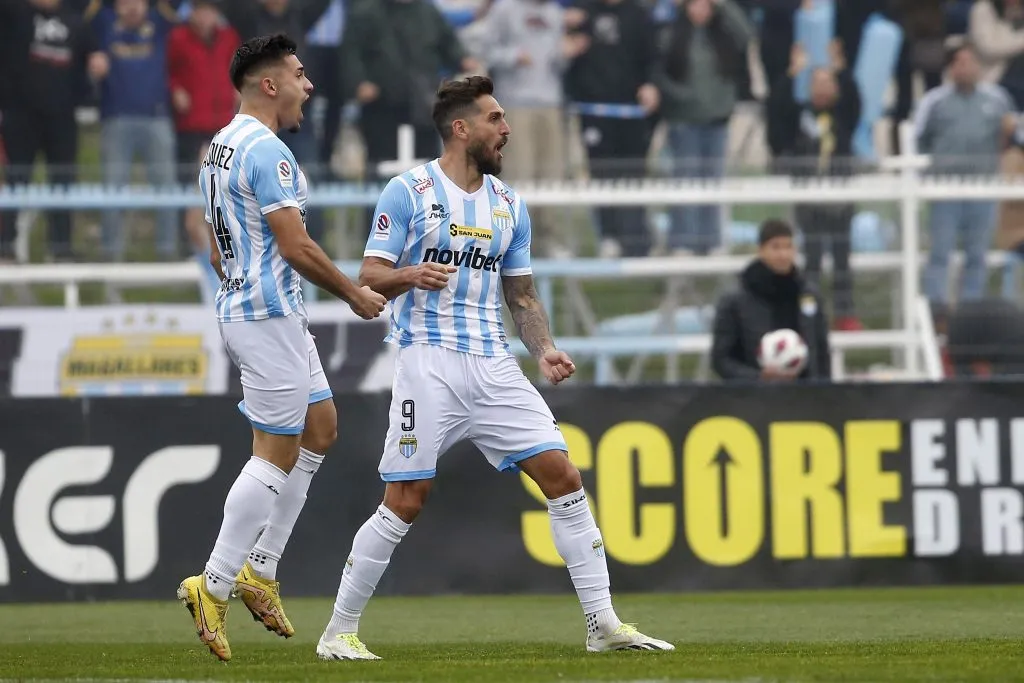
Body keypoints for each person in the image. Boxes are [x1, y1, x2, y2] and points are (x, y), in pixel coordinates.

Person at [314, 75, 674, 661]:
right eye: (495, 119)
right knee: (405, 499)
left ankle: (602, 624)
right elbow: (370, 275)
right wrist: (411, 274)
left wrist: (545, 349)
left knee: (562, 475)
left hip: (494, 364)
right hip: (426, 363)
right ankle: (338, 633)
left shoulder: (509, 206)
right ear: (462, 128)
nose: (506, 130)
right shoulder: (408, 192)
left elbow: (523, 296)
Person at [176, 33, 387, 663]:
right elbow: (295, 246)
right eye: (299, 75)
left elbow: (217, 246)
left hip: (262, 312)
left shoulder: (219, 146)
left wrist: (247, 282)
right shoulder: (270, 153)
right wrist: (353, 292)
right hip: (266, 317)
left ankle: (260, 568)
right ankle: (213, 583)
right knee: (274, 452)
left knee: (320, 428)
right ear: (270, 85)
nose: (308, 85)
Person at [711, 219, 831, 382]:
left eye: (788, 247)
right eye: (775, 247)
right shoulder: (735, 300)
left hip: (804, 397)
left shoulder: (808, 294)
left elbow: (821, 352)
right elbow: (721, 360)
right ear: (761, 250)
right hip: (754, 398)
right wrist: (758, 378)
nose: (783, 254)